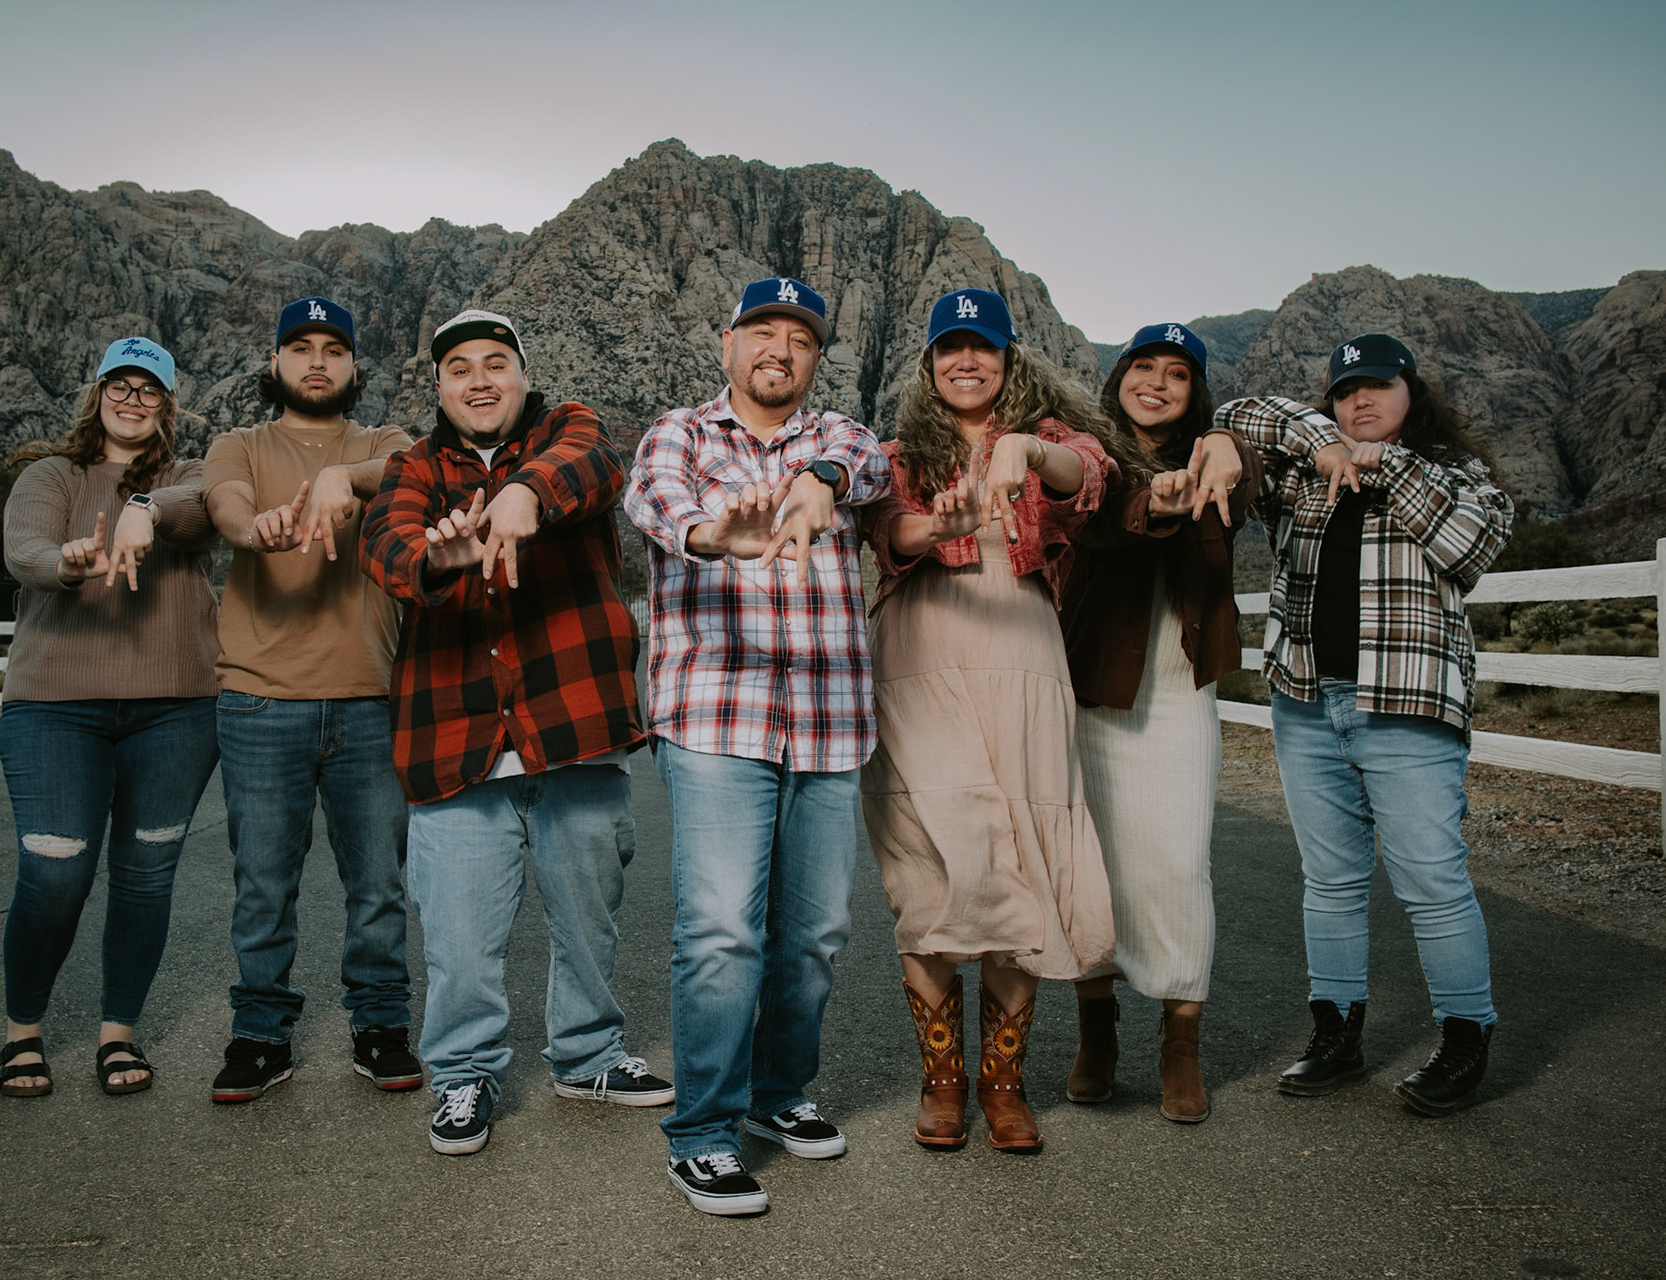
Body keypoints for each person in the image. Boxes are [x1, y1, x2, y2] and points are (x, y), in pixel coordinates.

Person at [359, 309, 670, 1156]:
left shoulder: (569, 428)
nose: (480, 379)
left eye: (496, 362)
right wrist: (439, 559)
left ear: (523, 375)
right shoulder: (413, 468)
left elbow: (594, 465)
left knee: (589, 922)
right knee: (459, 941)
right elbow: (385, 546)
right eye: (459, 368)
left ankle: (588, 1055)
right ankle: (463, 1076)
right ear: (438, 387)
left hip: (573, 728)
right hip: (453, 741)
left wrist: (523, 494)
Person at [626, 277, 890, 1215]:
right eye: (763, 331)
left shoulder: (837, 434)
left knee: (814, 934)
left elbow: (868, 463)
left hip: (828, 716)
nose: (781, 348)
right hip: (715, 711)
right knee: (722, 932)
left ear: (816, 358)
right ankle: (702, 1133)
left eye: (801, 338)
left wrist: (821, 483)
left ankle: (777, 1094)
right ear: (727, 345)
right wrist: (713, 535)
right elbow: (659, 505)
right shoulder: (679, 434)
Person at [1217, 332, 1513, 1117]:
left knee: (1432, 880)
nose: (1362, 400)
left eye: (1378, 386)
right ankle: (1335, 1035)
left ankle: (1465, 1037)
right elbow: (1234, 415)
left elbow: (1469, 549)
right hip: (1307, 701)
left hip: (1405, 702)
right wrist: (1322, 444)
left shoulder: (1458, 474)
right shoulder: (1304, 474)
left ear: (1412, 392)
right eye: (1346, 390)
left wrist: (1386, 463)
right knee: (1330, 880)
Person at [861, 288, 1117, 1152]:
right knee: (931, 859)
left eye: (984, 347)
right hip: (918, 658)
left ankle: (1004, 1083)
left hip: (1023, 656)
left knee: (1022, 855)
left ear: (1011, 360)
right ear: (930, 364)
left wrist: (1025, 449)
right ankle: (941, 1080)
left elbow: (1094, 478)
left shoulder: (1054, 443)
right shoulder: (895, 455)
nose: (966, 361)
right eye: (950, 347)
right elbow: (888, 532)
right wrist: (937, 527)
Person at [200, 297, 419, 1103]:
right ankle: (261, 1034)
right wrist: (253, 525)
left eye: (334, 348)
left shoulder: (383, 442)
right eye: (301, 347)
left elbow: (413, 473)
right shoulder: (239, 444)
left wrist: (340, 477)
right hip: (260, 704)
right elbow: (224, 503)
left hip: (370, 700)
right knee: (263, 883)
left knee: (379, 885)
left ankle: (380, 1026)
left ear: (355, 366)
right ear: (276, 363)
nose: (317, 361)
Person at [0, 336, 220, 1097]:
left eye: (148, 388)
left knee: (146, 874)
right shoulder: (50, 475)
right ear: (97, 395)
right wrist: (65, 562)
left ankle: (117, 1034)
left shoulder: (187, 475)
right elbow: (24, 547)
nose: (132, 399)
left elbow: (202, 512)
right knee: (55, 871)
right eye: (119, 385)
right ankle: (23, 1030)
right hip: (55, 707)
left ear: (166, 404)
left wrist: (144, 509)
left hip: (177, 710)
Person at [1057, 323, 1259, 1124]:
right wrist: (1156, 506)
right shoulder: (1088, 455)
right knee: (1094, 865)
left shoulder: (1223, 458)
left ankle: (1181, 1041)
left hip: (1179, 691)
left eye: (1177, 373)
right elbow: (1095, 519)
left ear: (1194, 391)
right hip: (1094, 686)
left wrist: (1228, 442)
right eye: (1144, 366)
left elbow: (1249, 478)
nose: (1158, 382)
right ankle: (1096, 1033)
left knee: (1178, 863)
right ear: (1120, 379)